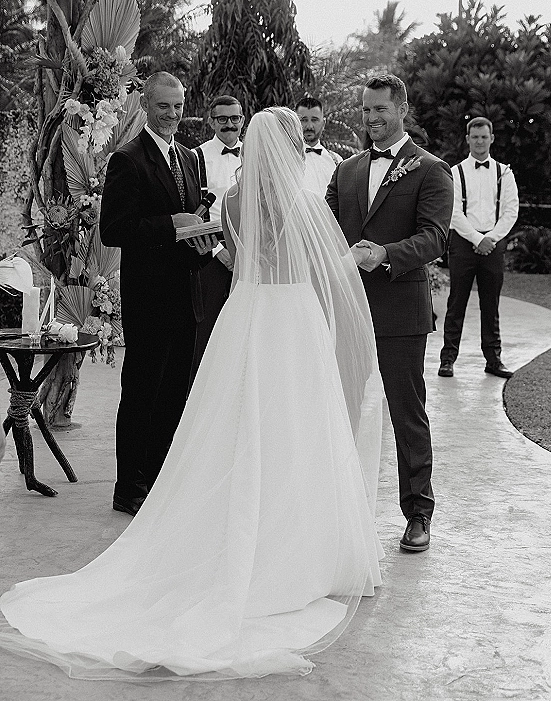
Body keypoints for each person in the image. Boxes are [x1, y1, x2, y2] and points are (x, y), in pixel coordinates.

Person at [0, 107, 384, 681]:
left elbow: (228, 255)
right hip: (292, 322)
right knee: (297, 432)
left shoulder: (232, 200)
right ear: (289, 147)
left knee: (234, 431)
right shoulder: (304, 203)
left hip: (245, 315)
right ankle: (295, 553)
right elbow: (325, 268)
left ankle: (235, 535)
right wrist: (355, 257)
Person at [327, 74, 454, 553]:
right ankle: (336, 511)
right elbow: (325, 229)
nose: (372, 118)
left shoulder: (431, 169)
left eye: (380, 109)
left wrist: (385, 254)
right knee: (338, 408)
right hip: (348, 307)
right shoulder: (346, 170)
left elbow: (435, 237)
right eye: (366, 110)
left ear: (402, 109)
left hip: (400, 311)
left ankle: (418, 513)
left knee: (406, 413)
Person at [99, 72, 217, 517]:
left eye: (179, 106)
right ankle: (128, 487)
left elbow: (191, 220)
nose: (172, 114)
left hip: (187, 295)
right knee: (141, 394)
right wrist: (172, 225)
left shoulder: (189, 156)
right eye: (164, 106)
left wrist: (202, 242)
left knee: (173, 395)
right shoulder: (127, 159)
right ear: (146, 105)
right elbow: (114, 230)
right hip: (148, 300)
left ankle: (160, 481)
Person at [438, 117, 519, 379]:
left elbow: (510, 211)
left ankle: (493, 360)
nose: (480, 141)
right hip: (463, 242)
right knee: (456, 302)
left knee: (490, 304)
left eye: (484, 137)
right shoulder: (456, 172)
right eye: (475, 137)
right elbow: (453, 211)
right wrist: (476, 238)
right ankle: (448, 359)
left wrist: (490, 239)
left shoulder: (504, 173)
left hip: (493, 244)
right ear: (468, 139)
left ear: (491, 138)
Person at [191, 95, 243, 372]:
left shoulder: (254, 155)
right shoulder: (196, 157)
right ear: (211, 122)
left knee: (243, 330)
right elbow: (191, 211)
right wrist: (218, 250)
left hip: (248, 253)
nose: (229, 124)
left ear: (242, 120)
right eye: (222, 119)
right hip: (211, 253)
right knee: (207, 331)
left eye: (234, 118)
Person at [296, 96, 342, 197]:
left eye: (314, 120)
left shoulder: (336, 160)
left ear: (323, 123)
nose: (309, 126)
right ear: (295, 123)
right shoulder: (288, 159)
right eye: (304, 120)